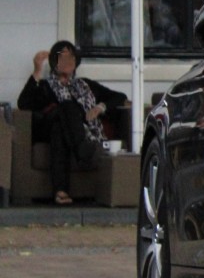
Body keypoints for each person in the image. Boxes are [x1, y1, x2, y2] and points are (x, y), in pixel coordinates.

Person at [17, 41, 127, 205]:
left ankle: (61, 191)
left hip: (64, 132)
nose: (68, 62)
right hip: (45, 130)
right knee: (66, 107)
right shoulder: (46, 86)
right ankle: (82, 151)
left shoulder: (86, 84)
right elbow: (24, 103)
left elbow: (119, 97)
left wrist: (99, 107)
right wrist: (37, 70)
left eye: (71, 58)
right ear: (54, 63)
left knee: (59, 130)